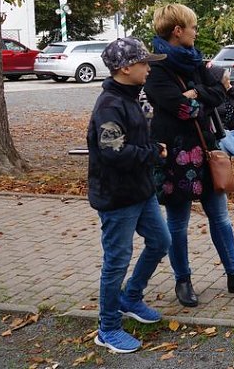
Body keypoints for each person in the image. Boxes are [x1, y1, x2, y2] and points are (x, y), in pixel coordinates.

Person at [143, 4, 234, 308]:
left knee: (221, 217)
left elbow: (218, 95)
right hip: (175, 154)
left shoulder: (194, 60)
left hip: (206, 148)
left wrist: (196, 93)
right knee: (177, 222)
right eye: (193, 27)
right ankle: (183, 280)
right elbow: (181, 108)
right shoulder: (156, 67)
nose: (196, 32)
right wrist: (199, 96)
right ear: (178, 30)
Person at [88, 37, 170, 353]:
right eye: (143, 63)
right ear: (125, 68)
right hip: (117, 196)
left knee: (161, 242)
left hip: (141, 190)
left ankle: (130, 297)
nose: (149, 68)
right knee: (116, 261)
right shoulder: (110, 105)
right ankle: (107, 327)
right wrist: (152, 153)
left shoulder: (132, 97)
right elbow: (114, 153)